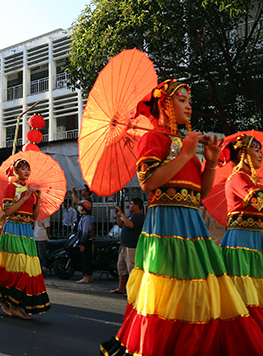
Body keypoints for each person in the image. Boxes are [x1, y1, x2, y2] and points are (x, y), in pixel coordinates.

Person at [101, 80, 261, 355]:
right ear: (164, 104)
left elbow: (201, 194)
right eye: (182, 99)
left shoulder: (183, 142)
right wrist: (187, 153)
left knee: (204, 288)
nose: (189, 105)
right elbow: (148, 182)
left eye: (190, 101)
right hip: (166, 226)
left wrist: (209, 162)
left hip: (192, 224)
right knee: (168, 292)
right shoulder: (154, 139)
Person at [0, 158, 50, 319]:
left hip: (26, 230)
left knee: (28, 267)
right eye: (23, 168)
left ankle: (11, 300)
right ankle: (11, 302)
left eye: (28, 169)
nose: (26, 171)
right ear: (15, 172)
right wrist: (25, 198)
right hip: (12, 229)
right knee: (15, 265)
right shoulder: (12, 188)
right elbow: (8, 211)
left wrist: (37, 199)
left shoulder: (29, 190)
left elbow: (34, 216)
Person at [219, 134, 263, 326]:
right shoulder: (238, 178)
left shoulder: (251, 180)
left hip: (254, 240)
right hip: (243, 243)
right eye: (256, 150)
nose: (261, 155)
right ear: (243, 154)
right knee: (246, 291)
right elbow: (259, 202)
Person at [111, 199, 144, 294]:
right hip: (124, 245)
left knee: (131, 268)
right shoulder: (130, 216)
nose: (130, 206)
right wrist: (118, 216)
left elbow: (130, 225)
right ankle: (121, 287)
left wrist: (121, 214)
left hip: (131, 246)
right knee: (121, 266)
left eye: (132, 204)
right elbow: (121, 225)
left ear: (137, 206)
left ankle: (133, 290)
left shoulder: (139, 217)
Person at [75, 204, 94, 284]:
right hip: (87, 240)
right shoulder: (86, 218)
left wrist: (82, 243)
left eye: (81, 207)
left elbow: (85, 231)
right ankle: (89, 277)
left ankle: (86, 277)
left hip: (85, 241)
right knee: (88, 258)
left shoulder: (86, 219)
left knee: (85, 259)